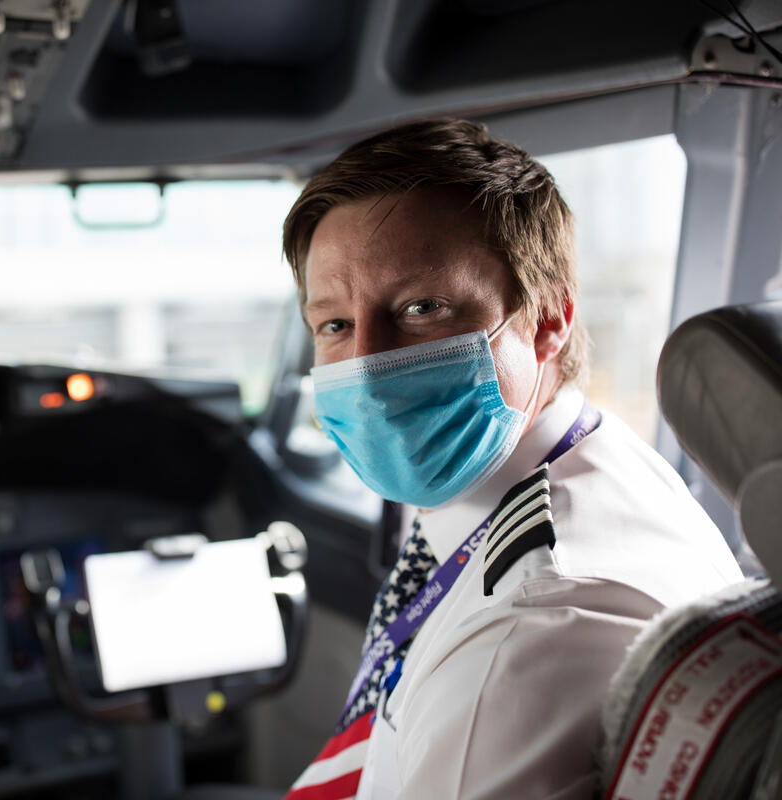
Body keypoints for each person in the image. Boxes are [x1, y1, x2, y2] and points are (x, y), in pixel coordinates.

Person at [278, 119, 743, 799]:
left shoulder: (527, 626)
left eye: (421, 307)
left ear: (547, 318)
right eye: (336, 326)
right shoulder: (591, 455)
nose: (369, 368)